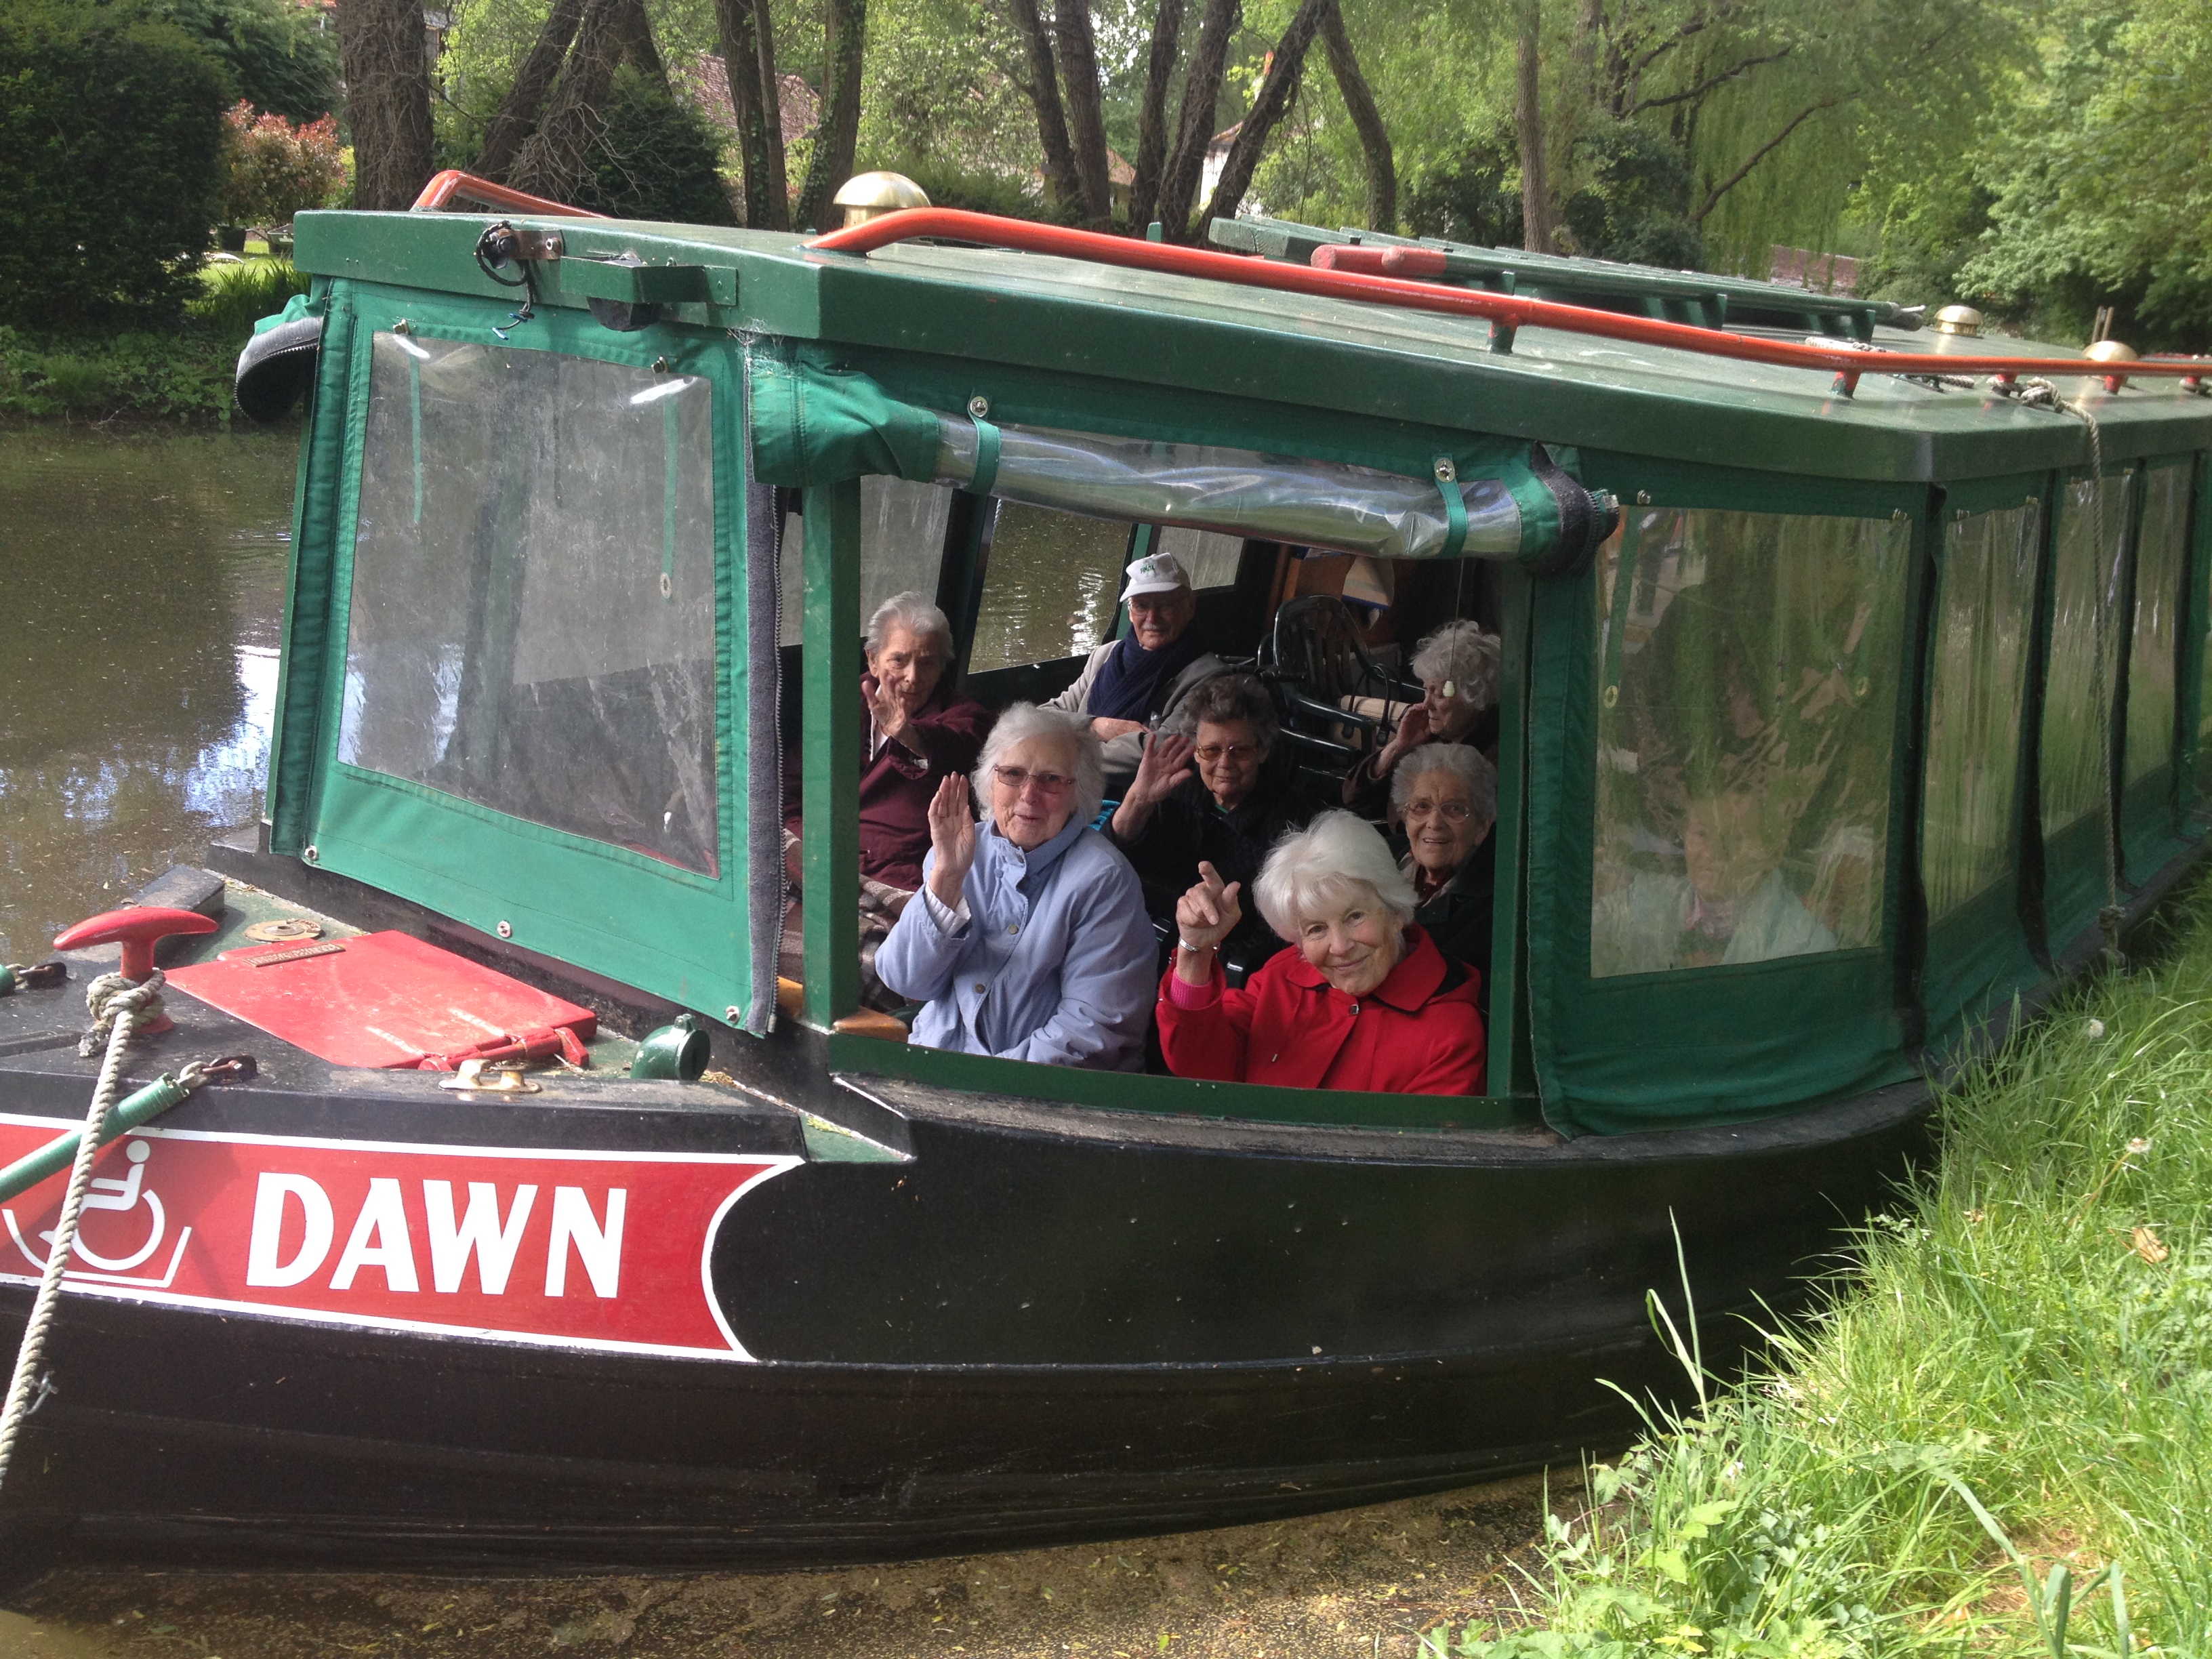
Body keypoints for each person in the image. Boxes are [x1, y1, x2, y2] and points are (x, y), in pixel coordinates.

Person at [875, 704, 1156, 1069]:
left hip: (1035, 1091)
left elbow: (1093, 1032)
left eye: (1052, 779)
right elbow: (907, 981)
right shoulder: (959, 850)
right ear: (990, 782)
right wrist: (946, 878)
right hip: (936, 1060)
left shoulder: (1104, 880)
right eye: (1013, 773)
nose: (1029, 795)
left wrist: (980, 1082)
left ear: (1079, 793)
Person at [1156, 811, 1486, 1094]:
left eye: (1355, 917)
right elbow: (1199, 1063)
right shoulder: (1281, 976)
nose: (1340, 947)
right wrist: (1195, 952)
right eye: (1316, 929)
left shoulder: (1451, 1032)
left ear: (1396, 911)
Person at [779, 592, 992, 1000]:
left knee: (872, 966)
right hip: (819, 859)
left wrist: (907, 734)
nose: (913, 677)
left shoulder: (965, 719)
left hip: (890, 882)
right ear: (873, 659)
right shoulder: (840, 706)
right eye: (900, 660)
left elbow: (954, 744)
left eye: (927, 662)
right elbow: (792, 792)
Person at [1106, 674, 1305, 962]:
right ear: (1196, 752)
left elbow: (1271, 940)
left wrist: (1195, 959)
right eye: (1211, 750)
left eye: (1241, 751)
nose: (1225, 763)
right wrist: (1138, 799)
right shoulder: (1176, 789)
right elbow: (1111, 864)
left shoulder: (1288, 826)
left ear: (1262, 752)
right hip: (1137, 935)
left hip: (1213, 961)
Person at [1590, 787, 1837, 976]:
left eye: (1735, 838)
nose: (1714, 852)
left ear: (1773, 852)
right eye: (1702, 833)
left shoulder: (1806, 947)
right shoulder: (1646, 901)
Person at [1048, 551, 1224, 798]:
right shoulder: (1105, 656)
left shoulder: (1210, 678)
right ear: (1130, 612)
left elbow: (1161, 753)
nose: (1152, 618)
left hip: (1143, 805)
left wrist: (1057, 752)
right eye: (1141, 605)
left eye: (1165, 605)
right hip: (1071, 791)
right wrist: (1096, 725)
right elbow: (1045, 715)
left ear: (1190, 606)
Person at [1344, 619, 1502, 816]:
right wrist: (1397, 748)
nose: (1426, 704)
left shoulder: (1489, 759)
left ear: (1476, 697)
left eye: (1440, 695)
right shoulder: (1432, 733)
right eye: (1426, 690)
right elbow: (1355, 798)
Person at [1391, 743, 1498, 981]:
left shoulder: (1494, 906)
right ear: (1405, 815)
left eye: (1454, 809)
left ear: (1482, 826)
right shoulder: (1379, 859)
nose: (1435, 822)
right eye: (1421, 806)